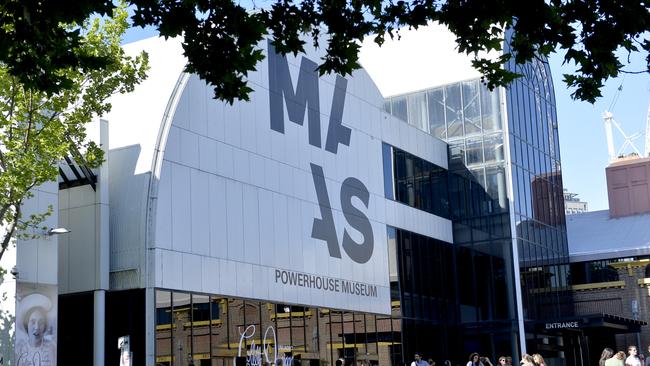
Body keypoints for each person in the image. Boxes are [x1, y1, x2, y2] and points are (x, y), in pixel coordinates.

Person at [15, 293, 56, 366]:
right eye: (33, 322)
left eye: (41, 322)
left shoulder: (51, 348)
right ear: (26, 325)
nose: (37, 327)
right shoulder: (19, 349)